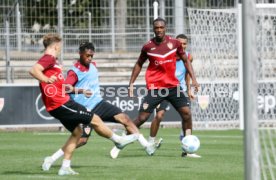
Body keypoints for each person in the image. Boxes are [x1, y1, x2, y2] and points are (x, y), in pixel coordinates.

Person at [30, 34, 138, 175]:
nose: (61, 49)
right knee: (95, 119)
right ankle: (118, 140)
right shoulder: (49, 58)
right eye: (60, 46)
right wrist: (46, 79)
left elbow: (62, 86)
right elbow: (33, 70)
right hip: (61, 103)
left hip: (58, 104)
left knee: (78, 133)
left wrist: (78, 90)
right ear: (56, 45)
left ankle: (65, 167)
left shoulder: (53, 61)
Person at [41, 41, 157, 168]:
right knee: (82, 140)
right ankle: (52, 159)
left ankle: (146, 146)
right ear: (80, 54)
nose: (90, 58)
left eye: (91, 56)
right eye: (87, 56)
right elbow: (66, 87)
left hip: (99, 103)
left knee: (125, 118)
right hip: (85, 108)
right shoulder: (74, 71)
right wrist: (81, 91)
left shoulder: (93, 65)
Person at [110, 18, 200, 158]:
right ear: (153, 28)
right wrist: (131, 83)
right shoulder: (148, 47)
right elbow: (139, 64)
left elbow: (186, 60)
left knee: (187, 114)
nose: (159, 30)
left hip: (173, 87)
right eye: (156, 27)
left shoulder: (175, 44)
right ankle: (120, 142)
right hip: (156, 88)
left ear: (165, 28)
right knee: (142, 118)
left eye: (161, 27)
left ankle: (187, 150)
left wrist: (194, 80)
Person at [149, 34, 201, 158]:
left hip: (179, 90)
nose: (182, 46)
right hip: (164, 89)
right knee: (159, 115)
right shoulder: (166, 55)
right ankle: (150, 143)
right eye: (180, 43)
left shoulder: (188, 57)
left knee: (187, 115)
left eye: (184, 44)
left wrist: (188, 89)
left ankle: (187, 149)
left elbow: (187, 73)